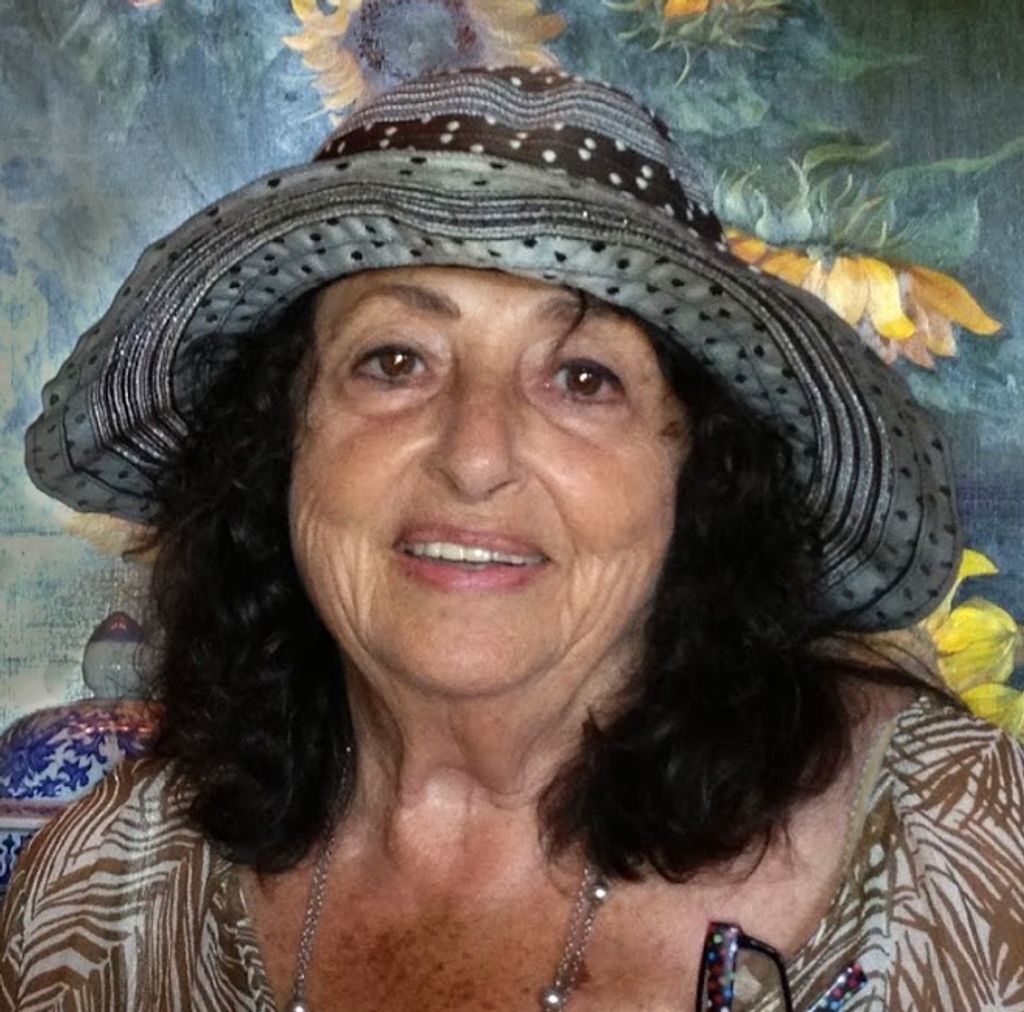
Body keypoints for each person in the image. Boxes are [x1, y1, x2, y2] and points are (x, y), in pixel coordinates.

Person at [2, 66, 1022, 1012]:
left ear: (697, 473)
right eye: (395, 362)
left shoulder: (951, 842)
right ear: (281, 445)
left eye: (583, 378)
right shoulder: (105, 895)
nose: (475, 456)